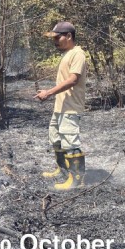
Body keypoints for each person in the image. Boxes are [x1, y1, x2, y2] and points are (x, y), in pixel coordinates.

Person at [34, 21, 87, 190]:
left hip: (71, 108)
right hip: (60, 107)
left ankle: (77, 179)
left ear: (69, 36)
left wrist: (49, 92)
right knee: (56, 139)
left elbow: (73, 80)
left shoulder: (78, 54)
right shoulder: (67, 54)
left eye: (58, 37)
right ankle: (62, 170)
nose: (55, 41)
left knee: (70, 143)